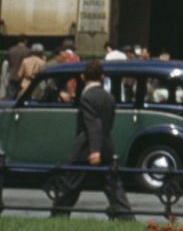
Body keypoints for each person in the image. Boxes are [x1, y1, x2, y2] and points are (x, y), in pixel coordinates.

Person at [48, 60, 136, 219]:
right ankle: (126, 216)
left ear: (82, 77)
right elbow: (107, 123)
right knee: (113, 186)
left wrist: (95, 150)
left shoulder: (87, 97)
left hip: (86, 148)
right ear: (102, 77)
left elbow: (93, 123)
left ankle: (58, 215)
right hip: (106, 145)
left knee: (71, 185)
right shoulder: (109, 97)